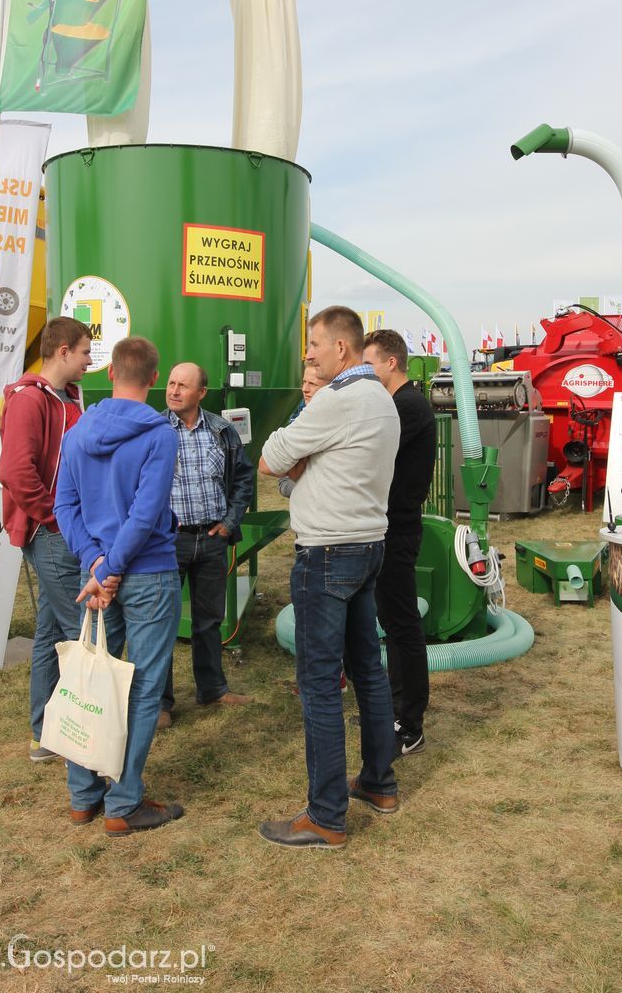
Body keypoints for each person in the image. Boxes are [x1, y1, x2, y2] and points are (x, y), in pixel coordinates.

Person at [258, 305, 401, 849]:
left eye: (314, 345)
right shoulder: (380, 401)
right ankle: (378, 783)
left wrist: (302, 425)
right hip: (368, 549)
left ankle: (325, 816)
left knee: (319, 684)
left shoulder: (336, 402)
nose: (309, 355)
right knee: (367, 669)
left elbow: (271, 459)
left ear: (341, 348)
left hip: (326, 555)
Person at [54, 336, 184, 837]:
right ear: (154, 379)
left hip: (99, 577)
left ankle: (83, 796)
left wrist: (97, 564)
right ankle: (123, 804)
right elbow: (146, 513)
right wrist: (110, 567)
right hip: (147, 572)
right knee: (145, 687)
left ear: (109, 373)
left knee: (87, 679)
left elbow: (64, 507)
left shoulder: (78, 430)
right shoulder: (159, 434)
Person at [0, 315, 92, 762]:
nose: (90, 361)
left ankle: (44, 733)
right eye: (86, 352)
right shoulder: (29, 400)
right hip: (51, 530)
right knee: (81, 633)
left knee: (50, 631)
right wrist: (54, 517)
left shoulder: (67, 397)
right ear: (63, 352)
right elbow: (16, 471)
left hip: (62, 526)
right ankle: (87, 730)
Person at [159, 362, 254, 713]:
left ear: (201, 393)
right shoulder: (155, 430)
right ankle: (160, 703)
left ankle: (212, 688)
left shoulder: (221, 431)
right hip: (170, 542)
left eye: (183, 385)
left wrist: (229, 523)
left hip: (212, 538)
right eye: (171, 383)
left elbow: (244, 479)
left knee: (209, 620)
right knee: (162, 623)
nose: (174, 390)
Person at [364, 329, 436, 756]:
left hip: (397, 529)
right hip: (386, 526)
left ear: (392, 362)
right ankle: (389, 708)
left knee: (402, 625)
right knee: (390, 622)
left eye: (370, 364)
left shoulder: (405, 406)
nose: (366, 374)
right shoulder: (399, 404)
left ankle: (409, 723)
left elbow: (369, 453)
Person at [278, 363, 328, 497]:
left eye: (312, 384)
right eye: (304, 382)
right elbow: (282, 479)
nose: (305, 389)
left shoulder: (338, 420)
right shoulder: (297, 416)